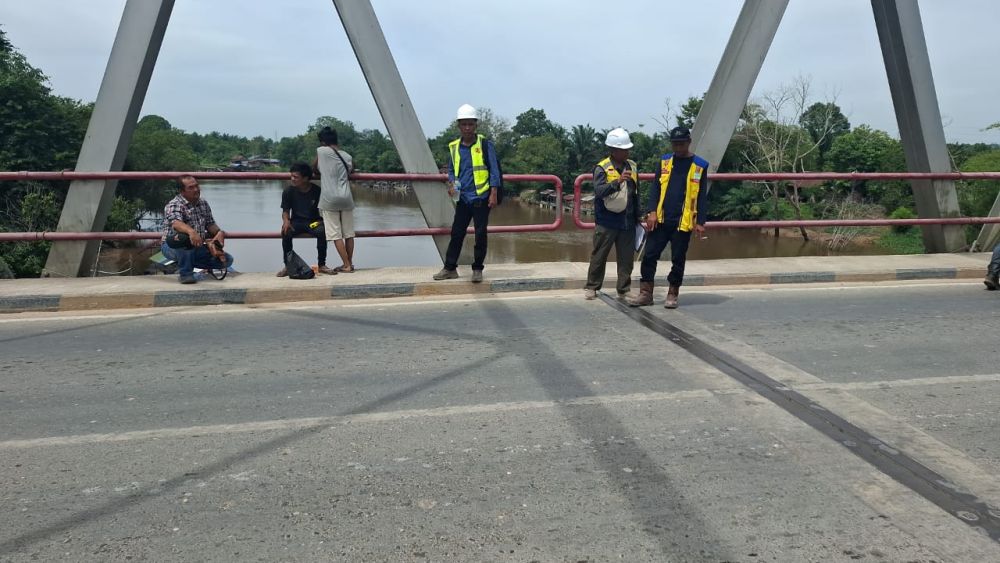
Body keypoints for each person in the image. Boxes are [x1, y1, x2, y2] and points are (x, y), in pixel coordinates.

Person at [629, 126, 709, 309]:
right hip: (661, 218)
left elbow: (702, 196)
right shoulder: (664, 162)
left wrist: (701, 222)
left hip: (683, 221)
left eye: (681, 144)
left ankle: (673, 292)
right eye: (675, 144)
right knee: (649, 255)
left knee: (678, 258)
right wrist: (652, 212)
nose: (678, 148)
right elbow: (655, 189)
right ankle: (646, 293)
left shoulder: (700, 165)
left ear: (689, 142)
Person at [433, 103, 501, 283]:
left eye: (471, 124)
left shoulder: (485, 145)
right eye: (464, 124)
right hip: (463, 198)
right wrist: (451, 184)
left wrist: (493, 193)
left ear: (476, 125)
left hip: (481, 198)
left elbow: (494, 170)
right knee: (456, 233)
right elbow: (452, 170)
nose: (467, 128)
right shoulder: (454, 147)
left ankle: (477, 269)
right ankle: (450, 268)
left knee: (480, 235)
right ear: (459, 126)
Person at [584, 128, 642, 300]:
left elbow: (636, 192)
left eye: (627, 149)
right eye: (624, 149)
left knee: (626, 258)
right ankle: (592, 286)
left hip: (627, 220)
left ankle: (623, 288)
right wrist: (618, 182)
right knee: (599, 255)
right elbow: (599, 191)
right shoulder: (602, 168)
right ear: (614, 150)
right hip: (607, 221)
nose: (627, 152)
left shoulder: (632, 166)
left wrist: (638, 215)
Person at [161, 175, 234, 284]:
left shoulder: (203, 203)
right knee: (184, 239)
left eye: (197, 186)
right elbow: (176, 223)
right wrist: (191, 232)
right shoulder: (174, 204)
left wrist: (219, 233)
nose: (196, 189)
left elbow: (210, 224)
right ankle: (186, 274)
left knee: (227, 260)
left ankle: (187, 263)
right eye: (191, 187)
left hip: (198, 246)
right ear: (182, 191)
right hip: (172, 246)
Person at [277, 162, 335, 276]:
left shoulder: (317, 191)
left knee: (322, 231)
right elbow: (285, 210)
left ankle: (322, 264)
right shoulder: (288, 191)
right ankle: (288, 265)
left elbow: (326, 209)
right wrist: (286, 221)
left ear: (305, 178)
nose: (292, 179)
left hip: (314, 221)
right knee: (285, 231)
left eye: (296, 177)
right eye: (291, 176)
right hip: (296, 221)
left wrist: (324, 220)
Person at [314, 126, 356, 273]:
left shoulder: (321, 151)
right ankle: (349, 263)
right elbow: (351, 169)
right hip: (346, 197)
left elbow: (314, 168)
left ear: (323, 141)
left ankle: (346, 265)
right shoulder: (347, 156)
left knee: (335, 234)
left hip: (329, 199)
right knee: (349, 234)